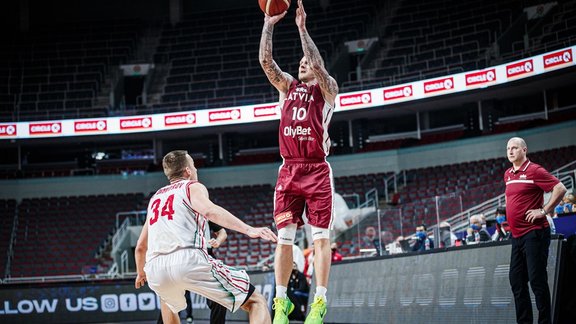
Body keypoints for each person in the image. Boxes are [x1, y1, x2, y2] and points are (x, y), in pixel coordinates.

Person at [259, 1, 339, 323]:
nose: (303, 63)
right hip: (289, 168)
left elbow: (319, 67)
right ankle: (281, 302)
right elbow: (266, 62)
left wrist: (302, 30)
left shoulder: (328, 90)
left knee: (321, 239)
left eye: (307, 61)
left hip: (317, 169)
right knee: (285, 240)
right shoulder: (287, 86)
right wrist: (269, 23)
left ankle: (319, 301)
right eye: (301, 61)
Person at [134, 150, 278, 324]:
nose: (196, 170)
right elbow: (210, 211)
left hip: (155, 267)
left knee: (169, 305)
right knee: (256, 301)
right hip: (188, 260)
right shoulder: (191, 186)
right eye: (194, 166)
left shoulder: (155, 199)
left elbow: (141, 246)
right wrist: (248, 229)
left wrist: (140, 273)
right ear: (187, 171)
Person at [504, 137, 566, 324]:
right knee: (516, 281)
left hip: (535, 233)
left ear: (524, 150)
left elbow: (560, 188)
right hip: (516, 237)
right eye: (508, 148)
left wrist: (544, 210)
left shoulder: (534, 170)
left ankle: (545, 321)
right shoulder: (507, 174)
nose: (511, 151)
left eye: (515, 148)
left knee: (537, 281)